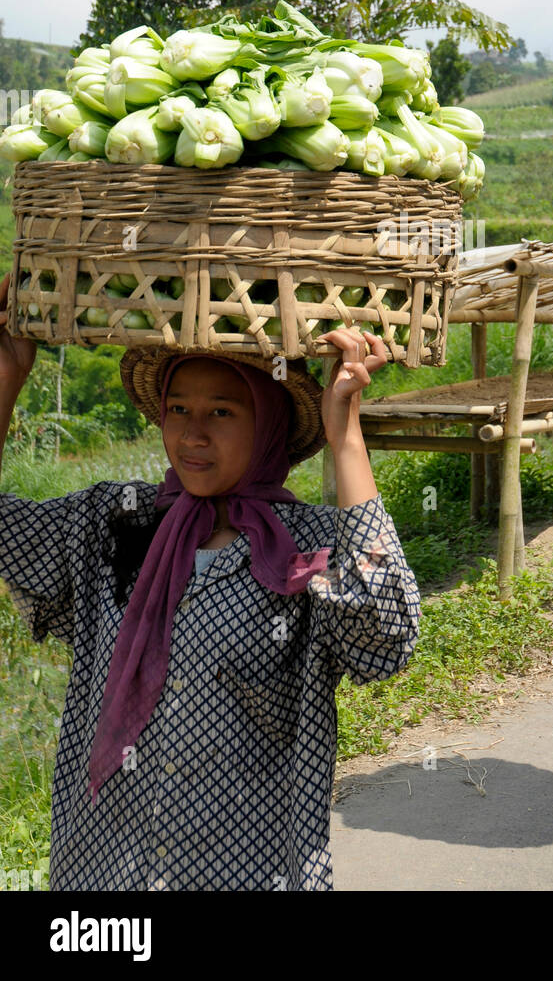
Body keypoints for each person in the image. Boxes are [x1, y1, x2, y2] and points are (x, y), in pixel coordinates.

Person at [0, 281, 420, 892]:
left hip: (247, 873)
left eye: (222, 411)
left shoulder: (305, 548)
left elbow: (387, 635)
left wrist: (346, 437)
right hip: (105, 876)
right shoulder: (112, 523)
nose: (193, 434)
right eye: (179, 409)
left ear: (271, 422)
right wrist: (7, 376)